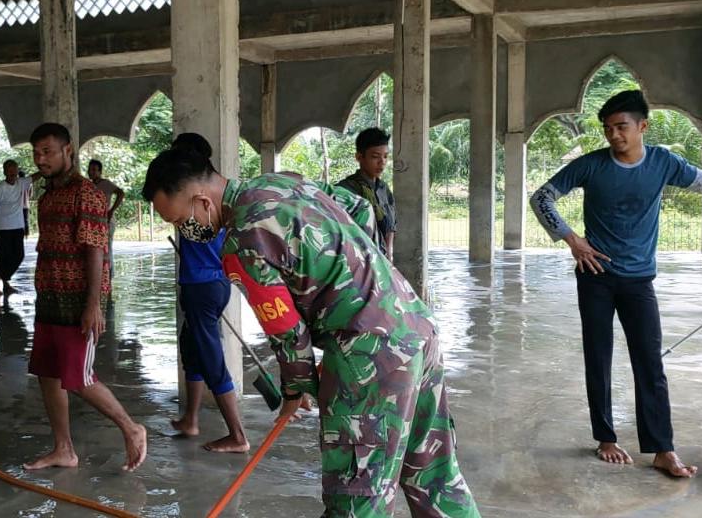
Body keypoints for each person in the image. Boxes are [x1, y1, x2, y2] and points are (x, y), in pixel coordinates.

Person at [144, 149, 479, 518]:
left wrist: (296, 389)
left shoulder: (241, 242)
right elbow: (360, 209)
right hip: (415, 325)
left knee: (356, 495)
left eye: (179, 220)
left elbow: (288, 332)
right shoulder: (282, 181)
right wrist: (365, 283)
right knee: (433, 477)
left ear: (202, 201)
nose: (183, 231)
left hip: (367, 356)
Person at [530, 89, 702, 478]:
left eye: (621, 126)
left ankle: (662, 450)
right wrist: (573, 240)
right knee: (598, 357)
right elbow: (541, 198)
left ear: (642, 126)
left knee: (650, 363)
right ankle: (605, 438)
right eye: (608, 128)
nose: (614, 135)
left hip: (639, 280)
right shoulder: (590, 166)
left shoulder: (663, 162)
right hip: (595, 277)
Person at [24, 122, 146, 472]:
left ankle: (131, 428)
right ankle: (63, 448)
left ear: (68, 150)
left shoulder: (87, 193)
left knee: (78, 377)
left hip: (79, 300)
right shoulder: (47, 195)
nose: (40, 159)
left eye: (47, 151)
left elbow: (95, 251)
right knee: (48, 373)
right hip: (49, 297)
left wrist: (93, 305)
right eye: (36, 152)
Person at [167, 133, 249, 454]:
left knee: (211, 357)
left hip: (204, 285)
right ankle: (191, 418)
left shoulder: (195, 201)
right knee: (193, 349)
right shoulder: (214, 198)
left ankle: (238, 435)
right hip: (205, 284)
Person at [337, 127, 396, 260]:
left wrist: (389, 254)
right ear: (359, 157)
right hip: (358, 260)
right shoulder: (345, 189)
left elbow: (391, 225)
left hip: (383, 258)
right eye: (375, 157)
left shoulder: (383, 189)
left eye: (386, 156)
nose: (382, 162)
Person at [0, 159, 33, 296]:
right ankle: (5, 285)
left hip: (17, 226)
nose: (13, 174)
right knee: (3, 257)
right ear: (5, 172)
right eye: (10, 171)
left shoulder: (21, 183)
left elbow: (34, 177)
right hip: (2, 228)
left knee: (19, 255)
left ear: (17, 171)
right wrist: (1, 218)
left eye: (15, 171)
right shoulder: (0, 187)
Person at [88, 159, 125, 258]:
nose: (91, 172)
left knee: (107, 249)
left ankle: (110, 273)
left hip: (107, 220)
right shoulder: (90, 185)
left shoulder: (106, 183)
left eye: (94, 170)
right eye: (90, 169)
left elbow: (121, 193)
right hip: (95, 222)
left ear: (100, 172)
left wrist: (111, 211)